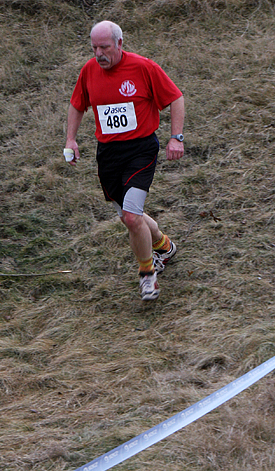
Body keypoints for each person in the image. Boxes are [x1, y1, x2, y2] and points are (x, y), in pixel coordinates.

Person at [65, 20, 185, 301]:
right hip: (108, 154)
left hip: (140, 150)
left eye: (105, 47)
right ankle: (164, 246)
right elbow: (77, 104)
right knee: (129, 217)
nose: (99, 54)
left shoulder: (143, 67)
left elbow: (176, 98)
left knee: (131, 215)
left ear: (120, 43)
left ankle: (147, 274)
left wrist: (176, 137)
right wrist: (71, 139)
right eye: (94, 47)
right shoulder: (89, 71)